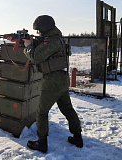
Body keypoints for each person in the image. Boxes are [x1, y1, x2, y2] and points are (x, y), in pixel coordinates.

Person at [22, 15, 83, 153]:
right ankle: (77, 137)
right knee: (67, 109)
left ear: (44, 29)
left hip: (52, 81)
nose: (37, 32)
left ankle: (42, 143)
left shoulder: (52, 42)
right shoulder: (55, 39)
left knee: (41, 112)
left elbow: (36, 56)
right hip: (61, 79)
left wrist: (27, 46)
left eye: (38, 30)